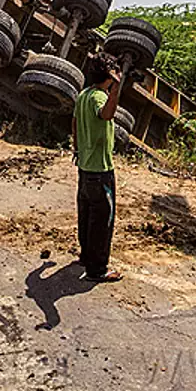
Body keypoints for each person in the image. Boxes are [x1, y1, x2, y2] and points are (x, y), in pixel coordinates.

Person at [72, 51, 124, 282]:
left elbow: (73, 122)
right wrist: (116, 90)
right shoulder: (98, 97)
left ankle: (85, 256)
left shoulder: (83, 95)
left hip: (85, 168)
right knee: (102, 221)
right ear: (110, 75)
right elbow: (106, 114)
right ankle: (97, 270)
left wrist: (77, 149)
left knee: (86, 216)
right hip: (100, 171)